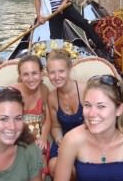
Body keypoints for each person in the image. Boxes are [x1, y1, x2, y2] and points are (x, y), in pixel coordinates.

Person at [54, 75, 123, 181]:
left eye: (101, 106)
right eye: (87, 105)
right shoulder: (71, 140)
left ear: (119, 109)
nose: (91, 114)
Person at [46, 49, 86, 178]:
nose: (57, 77)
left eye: (61, 71)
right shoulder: (52, 97)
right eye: (52, 72)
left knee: (76, 170)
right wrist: (59, 139)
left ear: (69, 69)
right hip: (63, 141)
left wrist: (75, 144)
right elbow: (56, 126)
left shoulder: (85, 90)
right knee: (54, 166)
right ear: (47, 74)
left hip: (87, 140)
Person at [12, 55, 51, 178]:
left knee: (40, 173)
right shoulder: (12, 92)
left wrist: (44, 137)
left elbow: (48, 119)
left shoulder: (44, 90)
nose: (30, 79)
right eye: (26, 74)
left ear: (41, 73)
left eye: (34, 73)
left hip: (39, 142)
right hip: (17, 141)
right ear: (20, 76)